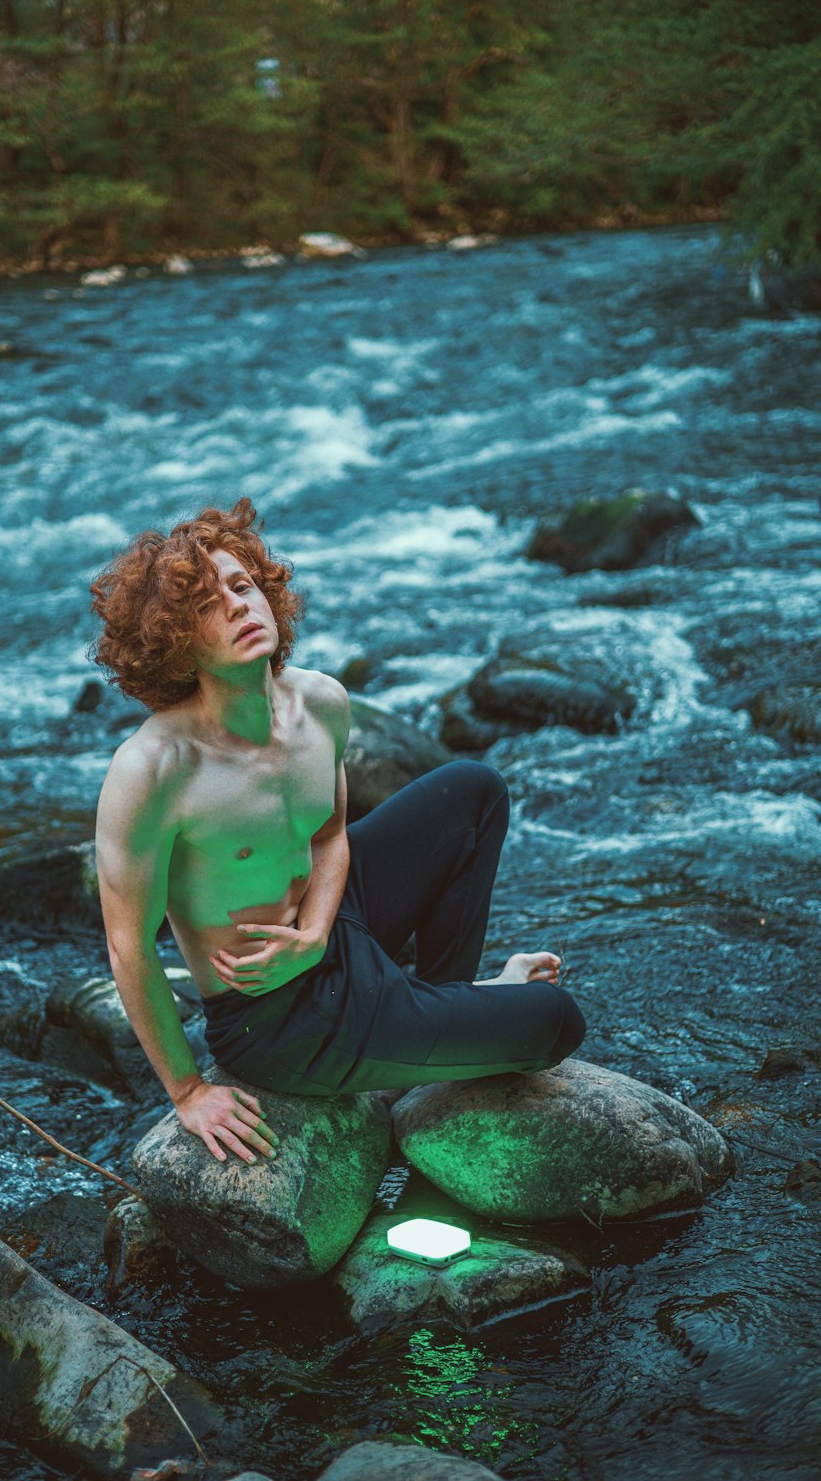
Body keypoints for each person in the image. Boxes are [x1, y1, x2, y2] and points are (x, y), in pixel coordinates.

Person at [90, 498, 585, 1166]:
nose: (237, 606)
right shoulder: (153, 771)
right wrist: (188, 1090)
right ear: (176, 642)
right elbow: (128, 950)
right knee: (556, 1022)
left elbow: (328, 836)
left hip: (328, 928)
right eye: (207, 605)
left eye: (242, 586)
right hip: (279, 1016)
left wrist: (316, 932)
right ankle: (453, 1022)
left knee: (473, 792)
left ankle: (443, 1016)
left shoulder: (319, 703)